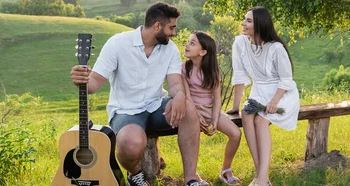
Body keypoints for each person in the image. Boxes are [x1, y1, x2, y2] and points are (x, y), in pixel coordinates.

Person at [69, 2, 203, 186]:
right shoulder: (118, 43)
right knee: (130, 144)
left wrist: (180, 96)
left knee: (188, 108)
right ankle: (135, 174)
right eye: (171, 27)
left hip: (156, 106)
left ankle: (191, 179)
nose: (174, 33)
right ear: (157, 26)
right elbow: (92, 85)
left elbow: (174, 84)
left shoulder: (170, 49)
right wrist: (80, 79)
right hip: (125, 111)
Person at [227, 6, 300, 186]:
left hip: (281, 93)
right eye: (244, 19)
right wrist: (236, 106)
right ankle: (262, 176)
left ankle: (261, 178)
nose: (243, 23)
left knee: (260, 120)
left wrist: (274, 101)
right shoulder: (240, 43)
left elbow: (286, 79)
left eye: (249, 21)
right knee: (246, 114)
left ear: (260, 24)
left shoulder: (276, 48)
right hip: (259, 92)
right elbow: (239, 76)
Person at [181, 31, 242, 185]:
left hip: (210, 110)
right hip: (191, 110)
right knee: (193, 139)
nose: (187, 45)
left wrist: (214, 121)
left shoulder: (213, 72)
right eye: (188, 41)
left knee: (235, 134)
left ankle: (226, 170)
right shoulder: (183, 69)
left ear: (203, 52)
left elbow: (216, 100)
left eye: (192, 43)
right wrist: (195, 115)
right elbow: (186, 96)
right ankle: (193, 174)